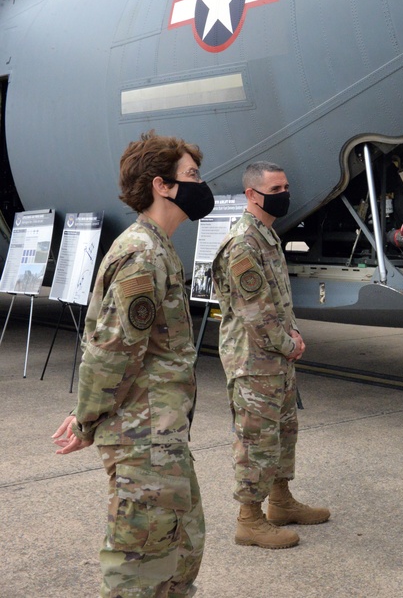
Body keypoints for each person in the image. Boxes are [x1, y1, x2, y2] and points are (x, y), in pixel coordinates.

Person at [52, 131, 215, 597]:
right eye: (191, 175)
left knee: (180, 551)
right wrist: (86, 420)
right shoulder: (142, 254)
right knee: (140, 565)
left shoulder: (159, 248)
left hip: (163, 435)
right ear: (162, 185)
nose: (201, 184)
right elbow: (113, 352)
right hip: (142, 439)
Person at [211, 161, 329, 550]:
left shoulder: (266, 235)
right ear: (251, 194)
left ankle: (280, 502)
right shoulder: (244, 243)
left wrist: (291, 334)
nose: (284, 195)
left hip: (274, 357)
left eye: (286, 187)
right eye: (275, 189)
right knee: (255, 439)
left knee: (282, 431)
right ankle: (249, 519)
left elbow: (276, 302)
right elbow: (255, 314)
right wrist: (289, 343)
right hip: (253, 359)